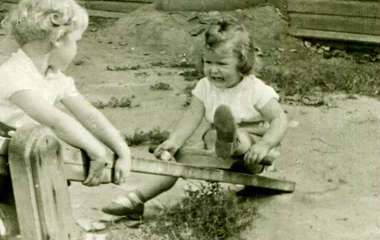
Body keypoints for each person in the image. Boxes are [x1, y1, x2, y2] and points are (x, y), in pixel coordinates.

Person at [0, 0, 132, 240]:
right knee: (6, 216)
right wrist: (96, 150)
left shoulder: (52, 76)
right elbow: (55, 119)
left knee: (37, 196)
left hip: (15, 149)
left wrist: (120, 148)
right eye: (77, 41)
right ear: (58, 39)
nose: (77, 49)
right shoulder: (15, 75)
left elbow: (88, 114)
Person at [102, 21, 288, 218]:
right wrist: (174, 142)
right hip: (217, 152)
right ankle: (135, 199)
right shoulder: (205, 86)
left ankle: (232, 141)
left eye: (222, 64)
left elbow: (279, 119)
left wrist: (265, 145)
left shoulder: (255, 89)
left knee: (240, 137)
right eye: (208, 62)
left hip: (253, 157)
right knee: (177, 158)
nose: (213, 70)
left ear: (242, 62)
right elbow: (191, 116)